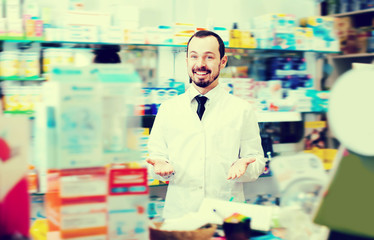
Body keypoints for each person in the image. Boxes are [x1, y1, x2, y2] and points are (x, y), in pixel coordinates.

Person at [146, 30, 265, 219]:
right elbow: (154, 160)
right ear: (186, 61)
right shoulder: (168, 109)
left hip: (226, 214)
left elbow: (257, 161)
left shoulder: (241, 109)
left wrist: (245, 165)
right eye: (194, 56)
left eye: (209, 57)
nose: (200, 64)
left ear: (223, 62)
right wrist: (160, 167)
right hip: (180, 215)